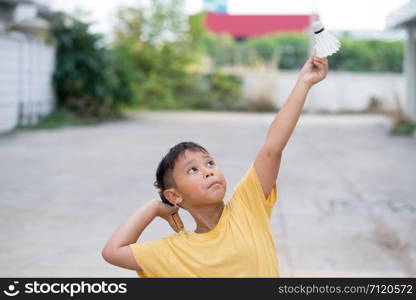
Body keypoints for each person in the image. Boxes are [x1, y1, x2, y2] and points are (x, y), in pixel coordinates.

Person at [101, 54, 329, 277]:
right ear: (174, 195)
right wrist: (153, 208)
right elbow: (113, 252)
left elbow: (272, 149)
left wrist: (304, 82)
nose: (208, 171)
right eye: (193, 169)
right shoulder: (173, 251)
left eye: (210, 162)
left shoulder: (247, 209)